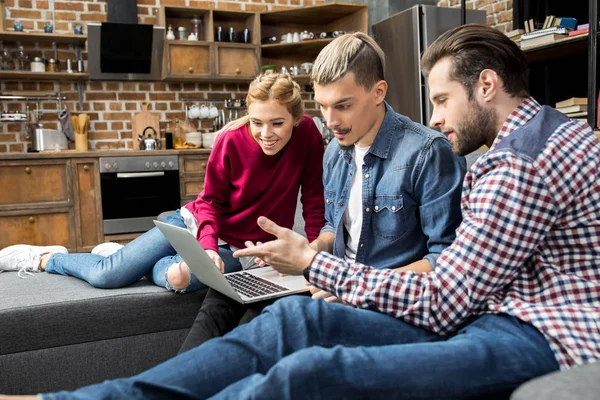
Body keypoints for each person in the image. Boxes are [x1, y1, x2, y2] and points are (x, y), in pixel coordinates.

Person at [4, 23, 600, 400]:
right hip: (478, 304)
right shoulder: (538, 138)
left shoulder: (512, 161)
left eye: (443, 99)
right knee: (275, 316)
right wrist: (306, 257)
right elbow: (280, 139)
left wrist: (316, 269)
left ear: (488, 85)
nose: (439, 116)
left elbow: (447, 293)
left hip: (534, 329)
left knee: (305, 373)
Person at [177, 31, 465, 353]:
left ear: (378, 92)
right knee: (223, 297)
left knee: (255, 333)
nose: (331, 122)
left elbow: (447, 262)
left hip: (376, 298)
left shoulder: (427, 153)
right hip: (328, 279)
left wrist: (344, 281)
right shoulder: (335, 153)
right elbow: (332, 227)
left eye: (343, 105)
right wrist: (303, 250)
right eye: (323, 107)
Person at [0, 72, 325, 297]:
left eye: (277, 123)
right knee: (107, 276)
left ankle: (132, 256)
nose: (265, 133)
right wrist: (208, 246)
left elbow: (313, 199)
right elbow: (210, 202)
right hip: (195, 224)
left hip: (245, 249)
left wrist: (308, 256)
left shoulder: (308, 135)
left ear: (296, 119)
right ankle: (45, 257)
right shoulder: (230, 140)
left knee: (179, 278)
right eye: (257, 122)